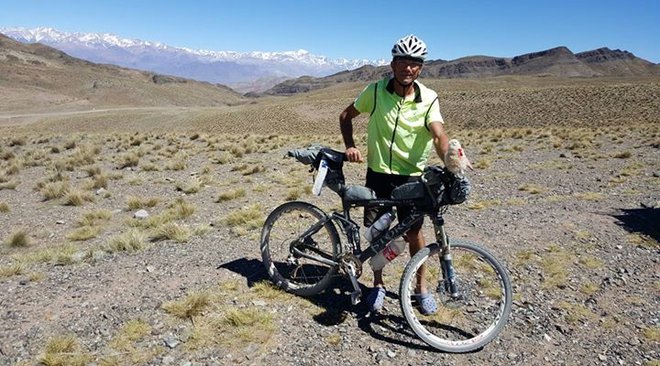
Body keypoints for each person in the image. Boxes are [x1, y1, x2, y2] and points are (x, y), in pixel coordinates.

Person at [339, 34, 449, 314]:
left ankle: (420, 289)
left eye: (414, 63)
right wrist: (350, 146)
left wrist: (451, 159)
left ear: (420, 68)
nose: (408, 68)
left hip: (411, 178)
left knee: (414, 234)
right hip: (378, 175)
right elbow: (345, 116)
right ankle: (377, 285)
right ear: (392, 64)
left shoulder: (429, 98)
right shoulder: (375, 92)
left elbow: (438, 134)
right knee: (377, 235)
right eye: (403, 62)